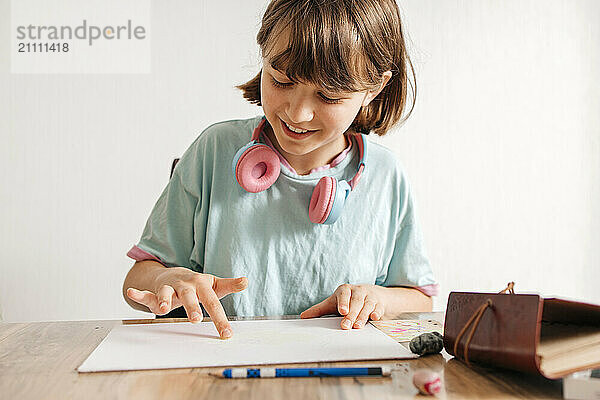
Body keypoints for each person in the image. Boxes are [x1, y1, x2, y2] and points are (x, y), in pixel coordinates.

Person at [123, 0, 438, 340]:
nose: (298, 113)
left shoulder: (386, 174)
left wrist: (377, 298)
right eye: (281, 81)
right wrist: (163, 282)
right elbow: (138, 278)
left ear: (372, 90)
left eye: (329, 97)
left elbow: (419, 298)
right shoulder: (214, 150)